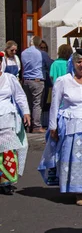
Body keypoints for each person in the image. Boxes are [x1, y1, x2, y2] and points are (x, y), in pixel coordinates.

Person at [38, 49, 82, 206]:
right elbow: (55, 105)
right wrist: (53, 127)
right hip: (70, 124)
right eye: (79, 62)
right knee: (72, 158)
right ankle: (76, 190)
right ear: (73, 63)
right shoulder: (63, 81)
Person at [0, 52, 30, 195]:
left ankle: (7, 182)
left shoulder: (9, 78)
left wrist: (26, 112)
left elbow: (20, 96)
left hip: (7, 118)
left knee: (8, 151)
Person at [21, 36, 53, 133]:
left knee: (28, 103)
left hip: (26, 80)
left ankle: (28, 126)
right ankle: (36, 126)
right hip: (37, 80)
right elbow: (50, 64)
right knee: (37, 104)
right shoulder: (41, 53)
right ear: (39, 44)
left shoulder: (24, 53)